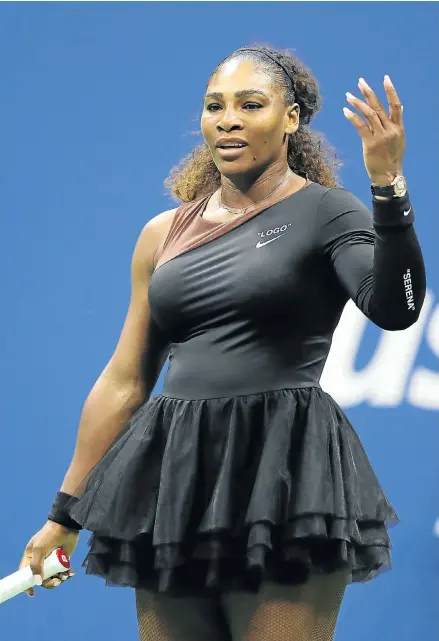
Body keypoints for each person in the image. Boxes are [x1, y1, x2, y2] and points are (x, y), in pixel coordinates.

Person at [20, 44, 426, 641]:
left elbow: (398, 308)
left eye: (250, 104)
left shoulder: (327, 212)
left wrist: (388, 185)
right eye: (215, 106)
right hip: (175, 481)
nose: (228, 119)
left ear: (291, 118)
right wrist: (64, 513)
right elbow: (125, 380)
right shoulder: (163, 233)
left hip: (285, 477)